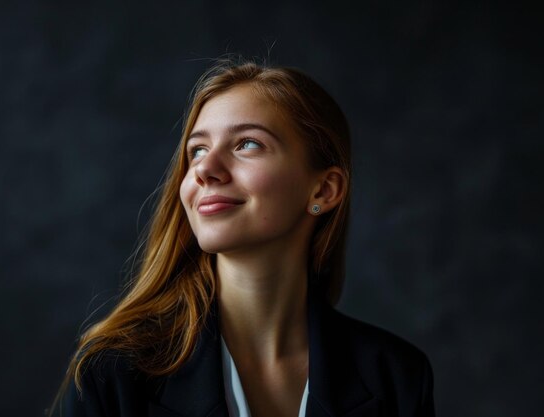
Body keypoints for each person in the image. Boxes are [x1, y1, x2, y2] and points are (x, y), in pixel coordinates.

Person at [50, 58, 435, 417]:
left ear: (323, 191)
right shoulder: (110, 374)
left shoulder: (398, 377)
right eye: (197, 150)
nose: (205, 170)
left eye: (247, 144)